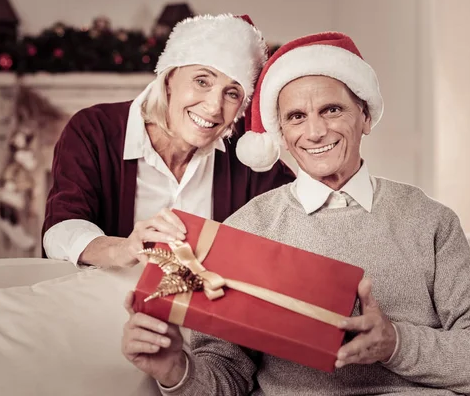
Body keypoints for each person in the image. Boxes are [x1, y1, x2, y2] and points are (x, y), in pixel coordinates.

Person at [121, 32, 470, 395]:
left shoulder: (430, 221)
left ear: (366, 117)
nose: (315, 132)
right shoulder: (248, 228)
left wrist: (395, 343)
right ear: (282, 136)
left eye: (331, 110)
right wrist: (176, 370)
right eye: (296, 117)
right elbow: (226, 375)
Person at [41, 14, 294, 268]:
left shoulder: (246, 154)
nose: (213, 107)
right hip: (103, 298)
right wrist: (123, 249)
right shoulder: (93, 130)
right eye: (202, 81)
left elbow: (297, 213)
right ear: (170, 77)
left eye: (231, 93)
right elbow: (60, 231)